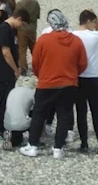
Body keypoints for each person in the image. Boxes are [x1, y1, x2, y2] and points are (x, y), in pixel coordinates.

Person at [20, 10, 87, 159]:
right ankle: (58, 148)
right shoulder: (76, 41)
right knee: (63, 115)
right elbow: (83, 63)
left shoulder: (44, 40)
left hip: (47, 82)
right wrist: (73, 74)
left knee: (39, 113)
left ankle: (33, 145)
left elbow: (36, 62)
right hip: (69, 83)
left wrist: (40, 74)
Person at [0, 8, 31, 147]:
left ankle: (9, 129)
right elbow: (6, 52)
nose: (21, 27)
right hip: (3, 71)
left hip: (8, 70)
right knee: (5, 101)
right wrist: (15, 69)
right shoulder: (4, 29)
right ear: (18, 19)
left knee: (8, 101)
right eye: (22, 24)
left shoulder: (11, 30)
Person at [73, 10, 98, 153]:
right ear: (89, 22)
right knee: (96, 112)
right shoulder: (94, 36)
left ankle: (84, 144)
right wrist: (96, 17)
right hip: (92, 77)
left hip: (78, 77)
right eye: (93, 22)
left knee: (81, 112)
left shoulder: (73, 35)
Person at [14, 0, 40, 75]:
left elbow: (16, 17)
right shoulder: (35, 3)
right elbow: (38, 16)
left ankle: (23, 68)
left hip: (22, 28)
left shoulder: (20, 4)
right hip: (32, 28)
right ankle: (38, 66)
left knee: (22, 49)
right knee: (34, 49)